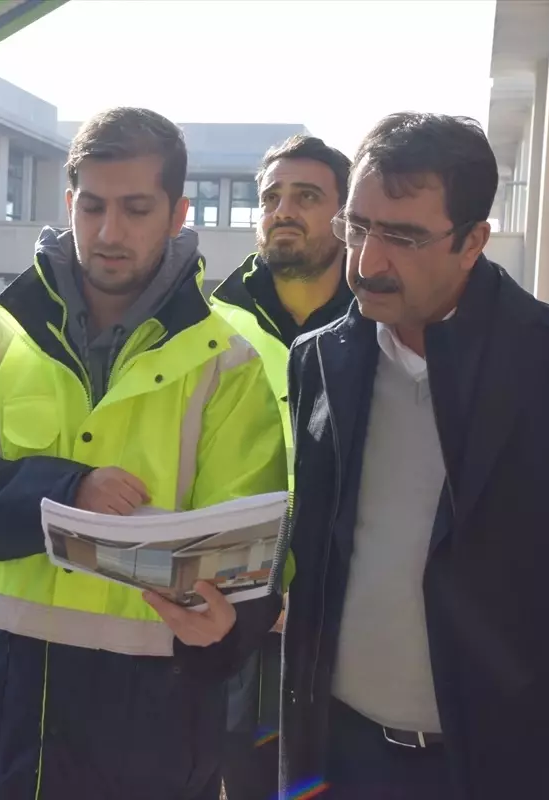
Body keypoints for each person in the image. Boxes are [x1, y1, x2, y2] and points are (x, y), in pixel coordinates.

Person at [278, 112, 549, 799]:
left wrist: (538, 689)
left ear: (473, 242)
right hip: (348, 762)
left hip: (527, 767)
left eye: (403, 237)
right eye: (358, 227)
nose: (367, 263)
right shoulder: (320, 359)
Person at [0, 107, 290, 800]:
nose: (110, 232)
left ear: (177, 214)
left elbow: (251, 554)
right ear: (70, 204)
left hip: (147, 732)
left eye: (136, 209)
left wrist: (229, 628)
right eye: (93, 207)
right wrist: (60, 491)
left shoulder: (227, 367)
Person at [209, 134, 354, 800]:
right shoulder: (208, 325)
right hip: (238, 615)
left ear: (345, 214)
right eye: (271, 197)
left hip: (346, 620)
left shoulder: (380, 318)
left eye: (307, 196)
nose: (283, 211)